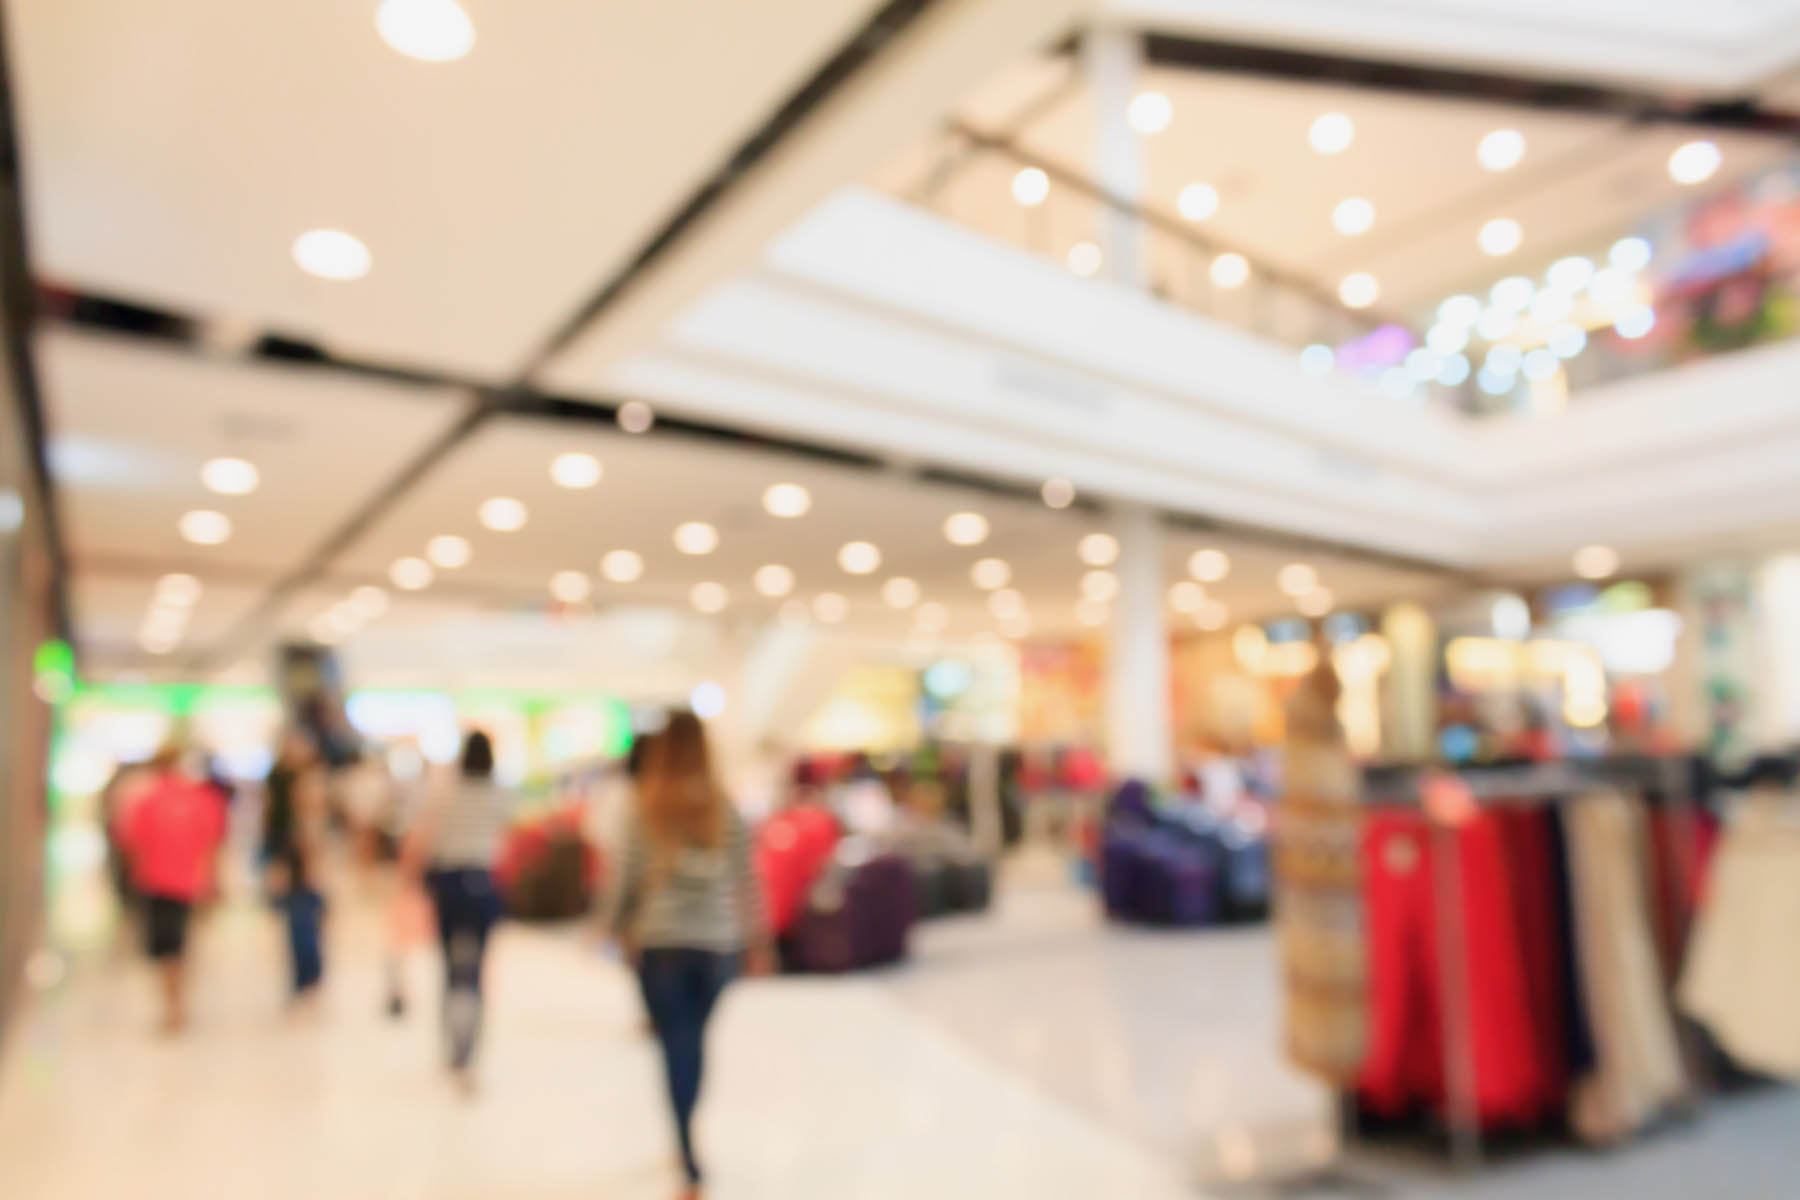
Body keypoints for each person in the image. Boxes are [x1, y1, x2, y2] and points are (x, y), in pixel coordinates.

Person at [608, 710, 772, 1199]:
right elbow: (746, 879)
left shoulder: (645, 807)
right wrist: (757, 941)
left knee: (675, 1044)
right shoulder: (724, 808)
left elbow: (626, 879)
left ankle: (686, 1150)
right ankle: (688, 1136)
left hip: (661, 944)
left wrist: (614, 927)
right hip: (716, 946)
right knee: (694, 1041)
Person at [407, 730, 511, 1091]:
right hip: (483, 884)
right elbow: (504, 840)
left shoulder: (446, 792)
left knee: (449, 968)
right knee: (477, 971)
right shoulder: (499, 794)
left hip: (449, 883)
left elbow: (427, 837)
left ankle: (451, 1047)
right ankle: (470, 1053)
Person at [117, 744, 226, 1033]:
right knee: (178, 946)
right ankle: (177, 1004)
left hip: (157, 882)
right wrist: (212, 882)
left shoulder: (148, 800)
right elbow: (212, 846)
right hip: (183, 883)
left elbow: (131, 843)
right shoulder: (197, 798)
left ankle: (173, 1005)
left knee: (167, 948)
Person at [263, 729, 329, 1007]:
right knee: (297, 923)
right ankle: (304, 979)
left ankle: (310, 978)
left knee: (307, 922)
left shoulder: (312, 783)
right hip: (292, 862)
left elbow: (317, 828)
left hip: (308, 864)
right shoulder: (280, 788)